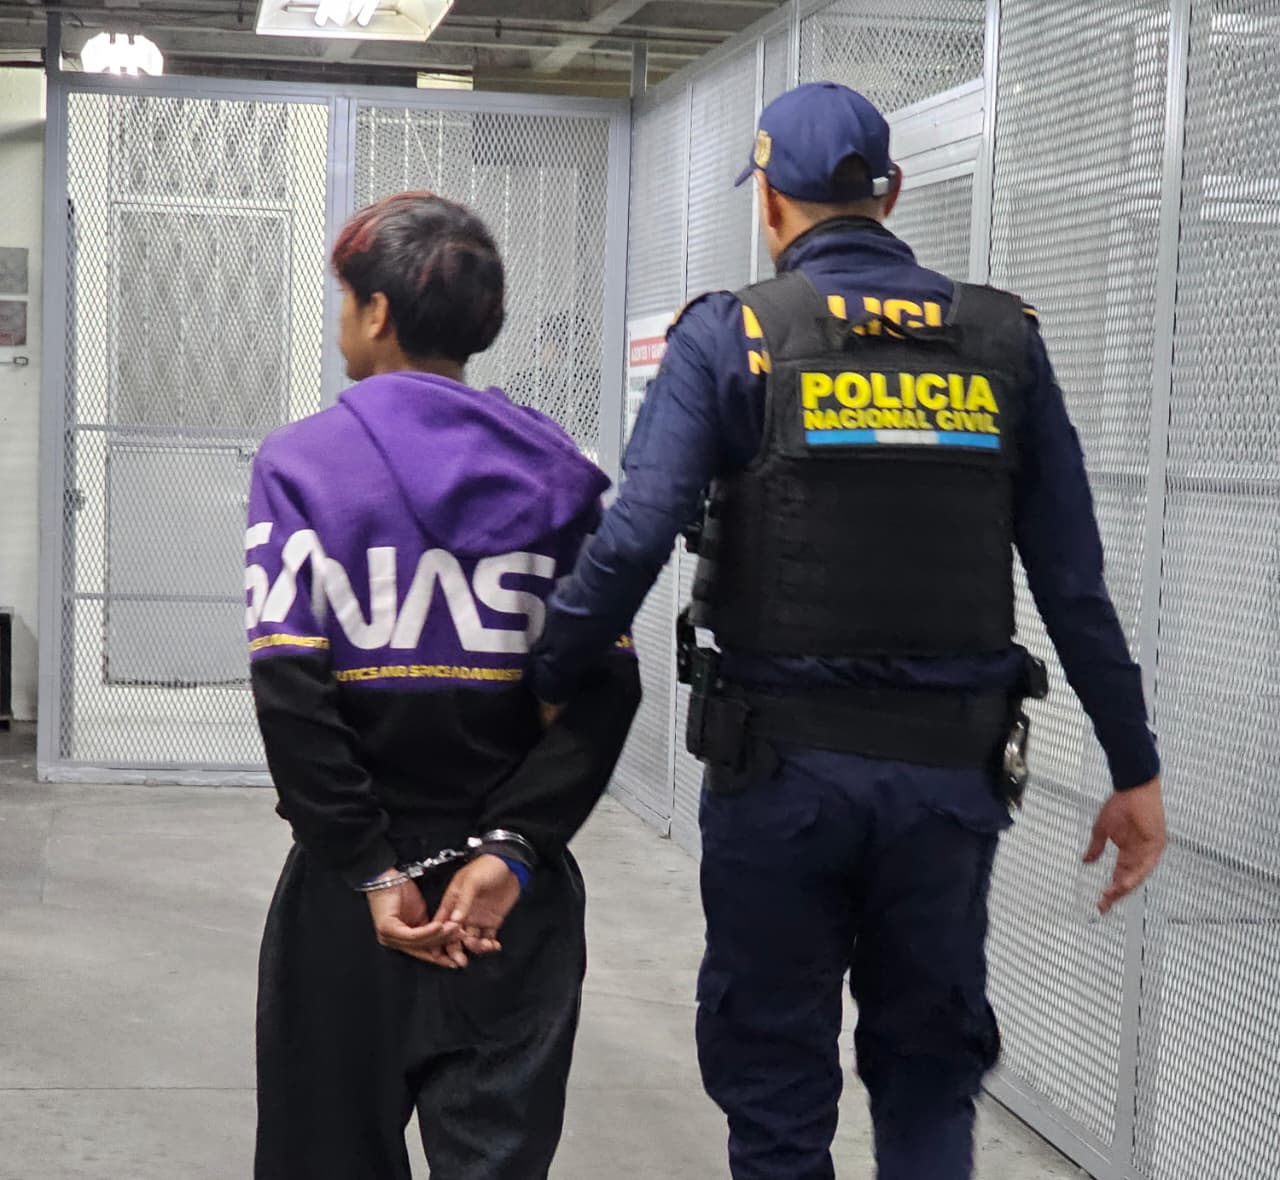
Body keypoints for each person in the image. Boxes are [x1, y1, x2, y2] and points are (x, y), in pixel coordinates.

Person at [529, 82, 1168, 1180]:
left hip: (777, 776)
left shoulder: (732, 335)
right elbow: (1073, 582)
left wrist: (545, 677)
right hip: (948, 782)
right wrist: (1133, 767)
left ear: (768, 201)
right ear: (892, 193)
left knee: (775, 1080)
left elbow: (635, 535)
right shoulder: (1003, 343)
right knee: (927, 1075)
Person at [245, 191, 640, 1180]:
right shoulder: (561, 476)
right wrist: (514, 848)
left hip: (351, 903)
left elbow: (293, 695)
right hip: (507, 906)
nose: (342, 318)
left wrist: (371, 868)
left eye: (345, 298)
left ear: (377, 312)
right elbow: (606, 691)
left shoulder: (302, 466)